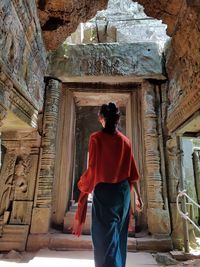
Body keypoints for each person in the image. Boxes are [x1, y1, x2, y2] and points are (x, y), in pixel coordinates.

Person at [73, 102, 143, 267]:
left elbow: (93, 169)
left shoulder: (95, 139)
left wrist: (82, 186)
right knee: (118, 237)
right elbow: (133, 173)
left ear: (101, 118)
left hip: (105, 194)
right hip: (123, 195)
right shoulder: (126, 141)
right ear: (117, 120)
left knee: (105, 241)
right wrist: (139, 197)